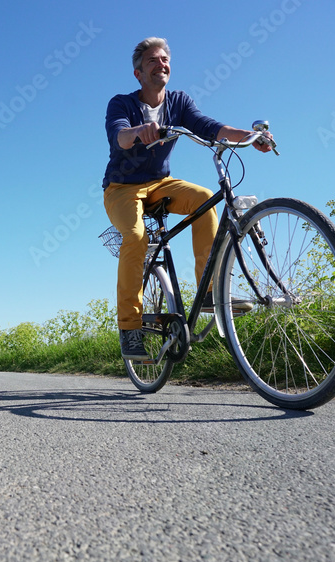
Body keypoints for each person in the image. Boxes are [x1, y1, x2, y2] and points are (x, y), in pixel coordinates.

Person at [102, 37, 273, 360]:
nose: (161, 64)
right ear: (138, 73)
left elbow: (209, 127)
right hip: (121, 188)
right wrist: (140, 131)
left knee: (205, 198)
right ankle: (129, 327)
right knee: (136, 237)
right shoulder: (121, 103)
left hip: (161, 183)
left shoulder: (178, 102)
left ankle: (209, 293)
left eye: (164, 59)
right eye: (152, 60)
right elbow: (119, 135)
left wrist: (252, 137)